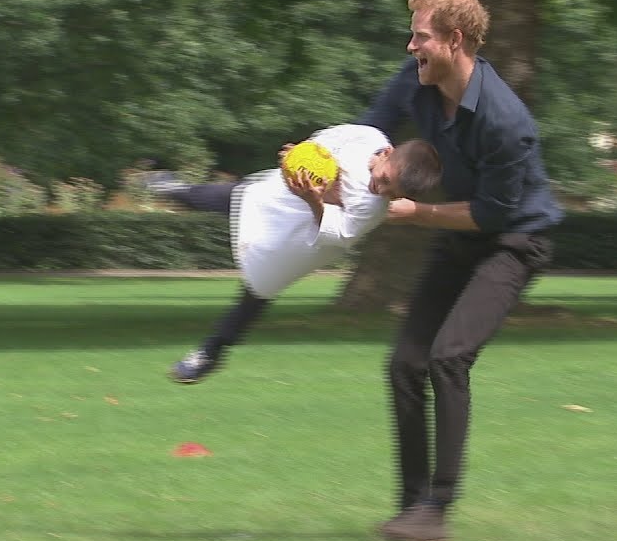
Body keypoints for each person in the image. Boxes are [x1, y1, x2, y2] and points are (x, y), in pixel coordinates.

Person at [356, 0, 565, 541]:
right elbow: (368, 131)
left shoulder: (505, 120)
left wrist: (415, 211)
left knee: (449, 357)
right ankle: (410, 503)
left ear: (453, 40)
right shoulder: (418, 83)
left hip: (514, 241)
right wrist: (317, 164)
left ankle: (438, 507)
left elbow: (494, 216)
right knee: (405, 362)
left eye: (420, 37)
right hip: (460, 238)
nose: (410, 47)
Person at [148, 123, 442, 383]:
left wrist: (318, 201)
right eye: (385, 179)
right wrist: (295, 156)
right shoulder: (364, 136)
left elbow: (337, 234)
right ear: (386, 153)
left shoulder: (373, 208)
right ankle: (179, 191)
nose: (381, 190)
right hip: (291, 195)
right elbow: (320, 143)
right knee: (242, 195)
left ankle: (210, 352)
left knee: (261, 285)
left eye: (393, 194)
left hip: (312, 233)